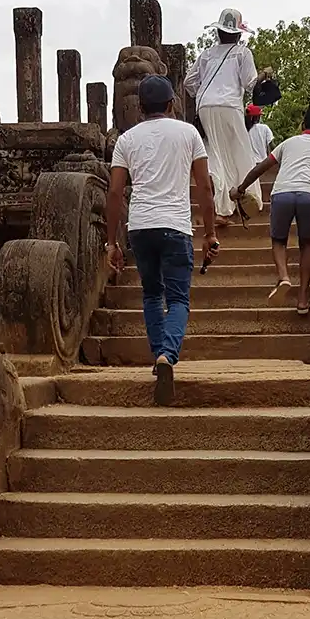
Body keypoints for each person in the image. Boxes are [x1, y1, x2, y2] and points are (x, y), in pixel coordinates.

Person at [106, 75, 218, 406]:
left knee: (152, 295)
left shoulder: (126, 140)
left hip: (140, 226)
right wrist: (210, 233)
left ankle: (159, 357)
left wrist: (111, 241)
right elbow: (204, 187)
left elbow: (114, 192)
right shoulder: (189, 134)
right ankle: (168, 354)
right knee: (179, 299)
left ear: (139, 108)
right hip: (175, 226)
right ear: (172, 104)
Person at [231, 104, 310, 317]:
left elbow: (260, 168)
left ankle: (283, 277)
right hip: (308, 195)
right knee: (306, 244)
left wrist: (241, 189)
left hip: (281, 194)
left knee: (279, 240)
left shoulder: (287, 143)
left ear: (303, 124)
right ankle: (302, 301)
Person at [184, 8, 260, 223]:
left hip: (205, 107)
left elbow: (188, 82)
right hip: (230, 106)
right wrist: (263, 77)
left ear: (218, 32)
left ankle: (221, 207)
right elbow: (250, 83)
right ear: (238, 34)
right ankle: (244, 200)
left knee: (215, 154)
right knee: (239, 150)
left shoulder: (207, 54)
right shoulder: (242, 53)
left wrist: (201, 95)